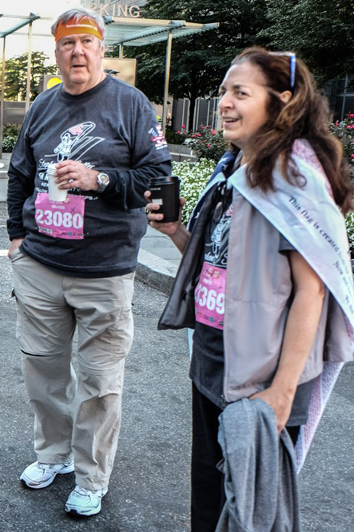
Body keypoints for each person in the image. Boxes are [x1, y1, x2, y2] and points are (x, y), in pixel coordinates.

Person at [147, 47, 354, 531]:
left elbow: (313, 293)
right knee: (210, 504)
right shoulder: (233, 173)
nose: (224, 102)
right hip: (213, 365)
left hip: (262, 382)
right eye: (223, 91)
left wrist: (282, 393)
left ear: (281, 103)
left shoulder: (293, 182)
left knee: (252, 512)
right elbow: (218, 268)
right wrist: (177, 232)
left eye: (241, 92)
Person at [7, 7, 172, 518]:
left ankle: (91, 475)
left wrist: (100, 180)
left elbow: (159, 176)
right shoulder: (41, 106)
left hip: (104, 269)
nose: (76, 52)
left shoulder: (132, 104)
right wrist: (16, 237)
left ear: (102, 49)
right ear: (55, 53)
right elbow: (19, 171)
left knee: (99, 383)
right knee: (43, 372)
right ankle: (53, 456)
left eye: (86, 42)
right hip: (41, 264)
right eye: (66, 44)